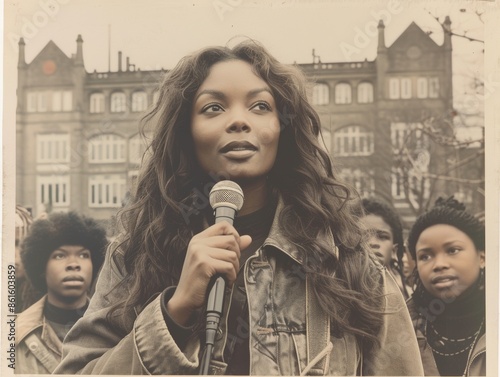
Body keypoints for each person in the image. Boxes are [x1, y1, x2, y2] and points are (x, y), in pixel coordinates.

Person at [55, 40, 423, 375]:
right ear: (187, 130)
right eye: (213, 107)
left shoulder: (346, 258)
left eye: (260, 106)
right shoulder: (133, 255)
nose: (238, 120)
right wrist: (174, 312)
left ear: (282, 126)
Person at [16, 211, 107, 374]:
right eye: (60, 256)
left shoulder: (113, 330)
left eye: (83, 255)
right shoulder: (13, 333)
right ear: (41, 267)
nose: (74, 264)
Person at [406, 197, 485, 376]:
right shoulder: (403, 326)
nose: (439, 264)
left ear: (482, 257)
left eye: (452, 250)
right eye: (425, 256)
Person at [359, 197, 412, 299]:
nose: (372, 243)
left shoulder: (407, 299)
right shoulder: (334, 295)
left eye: (383, 237)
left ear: (394, 251)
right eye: (364, 236)